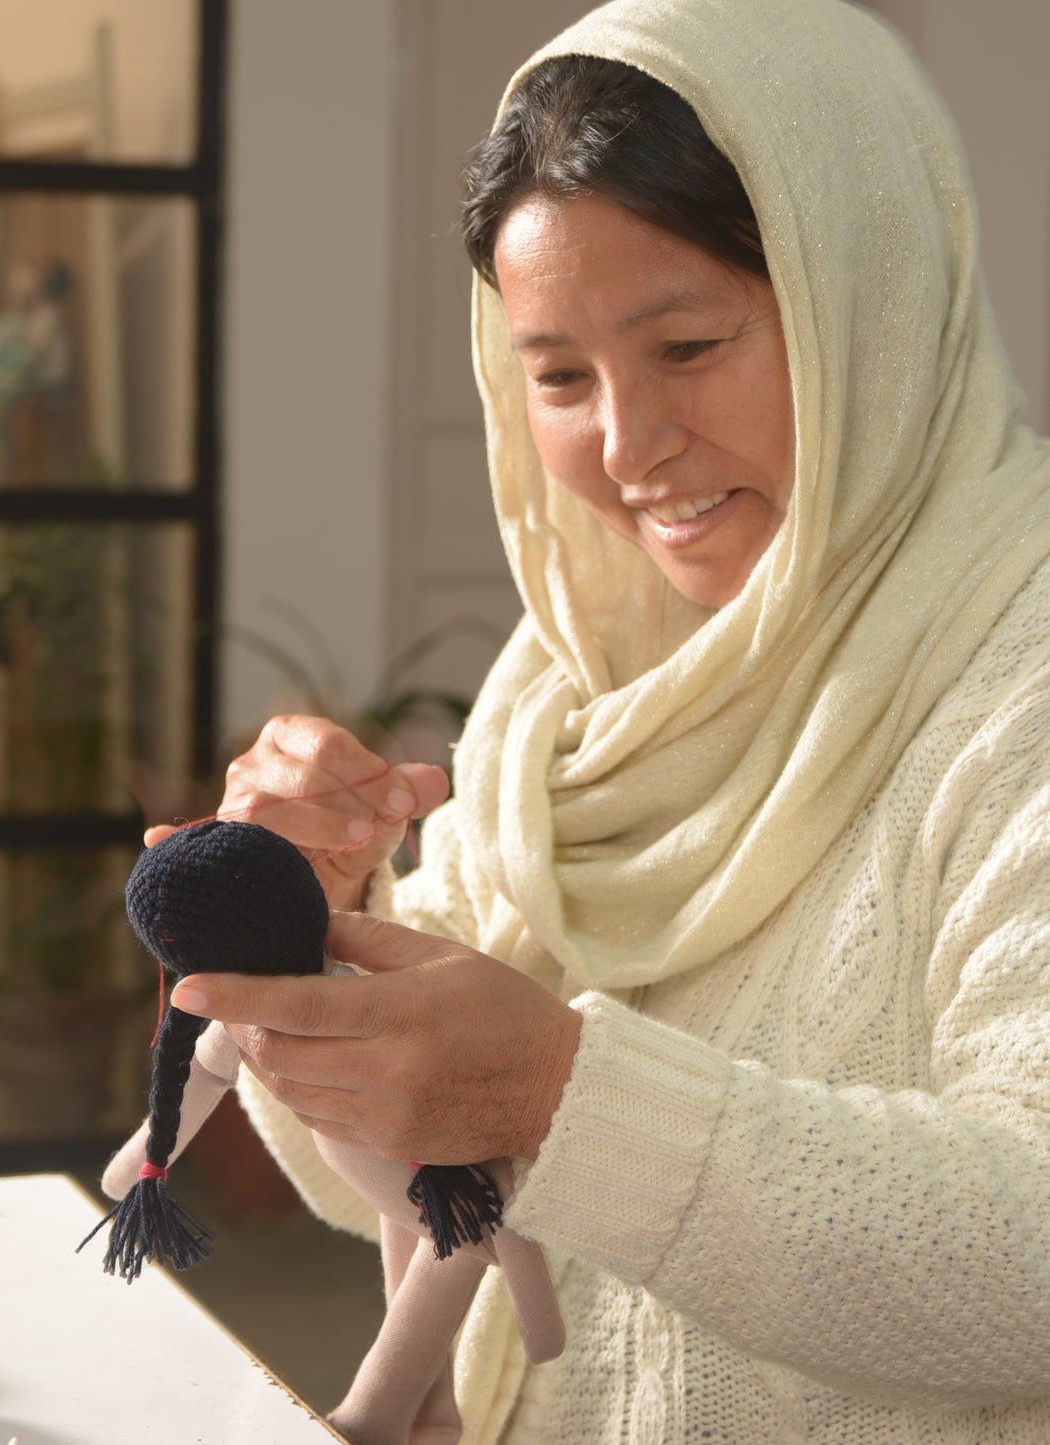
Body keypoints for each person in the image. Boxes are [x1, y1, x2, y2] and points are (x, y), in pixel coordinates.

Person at [155, 0, 1050, 1439]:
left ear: (868, 302)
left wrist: (562, 1097)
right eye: (560, 376)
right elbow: (371, 1186)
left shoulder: (1023, 669)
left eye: (687, 345)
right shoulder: (573, 675)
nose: (629, 447)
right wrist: (303, 935)